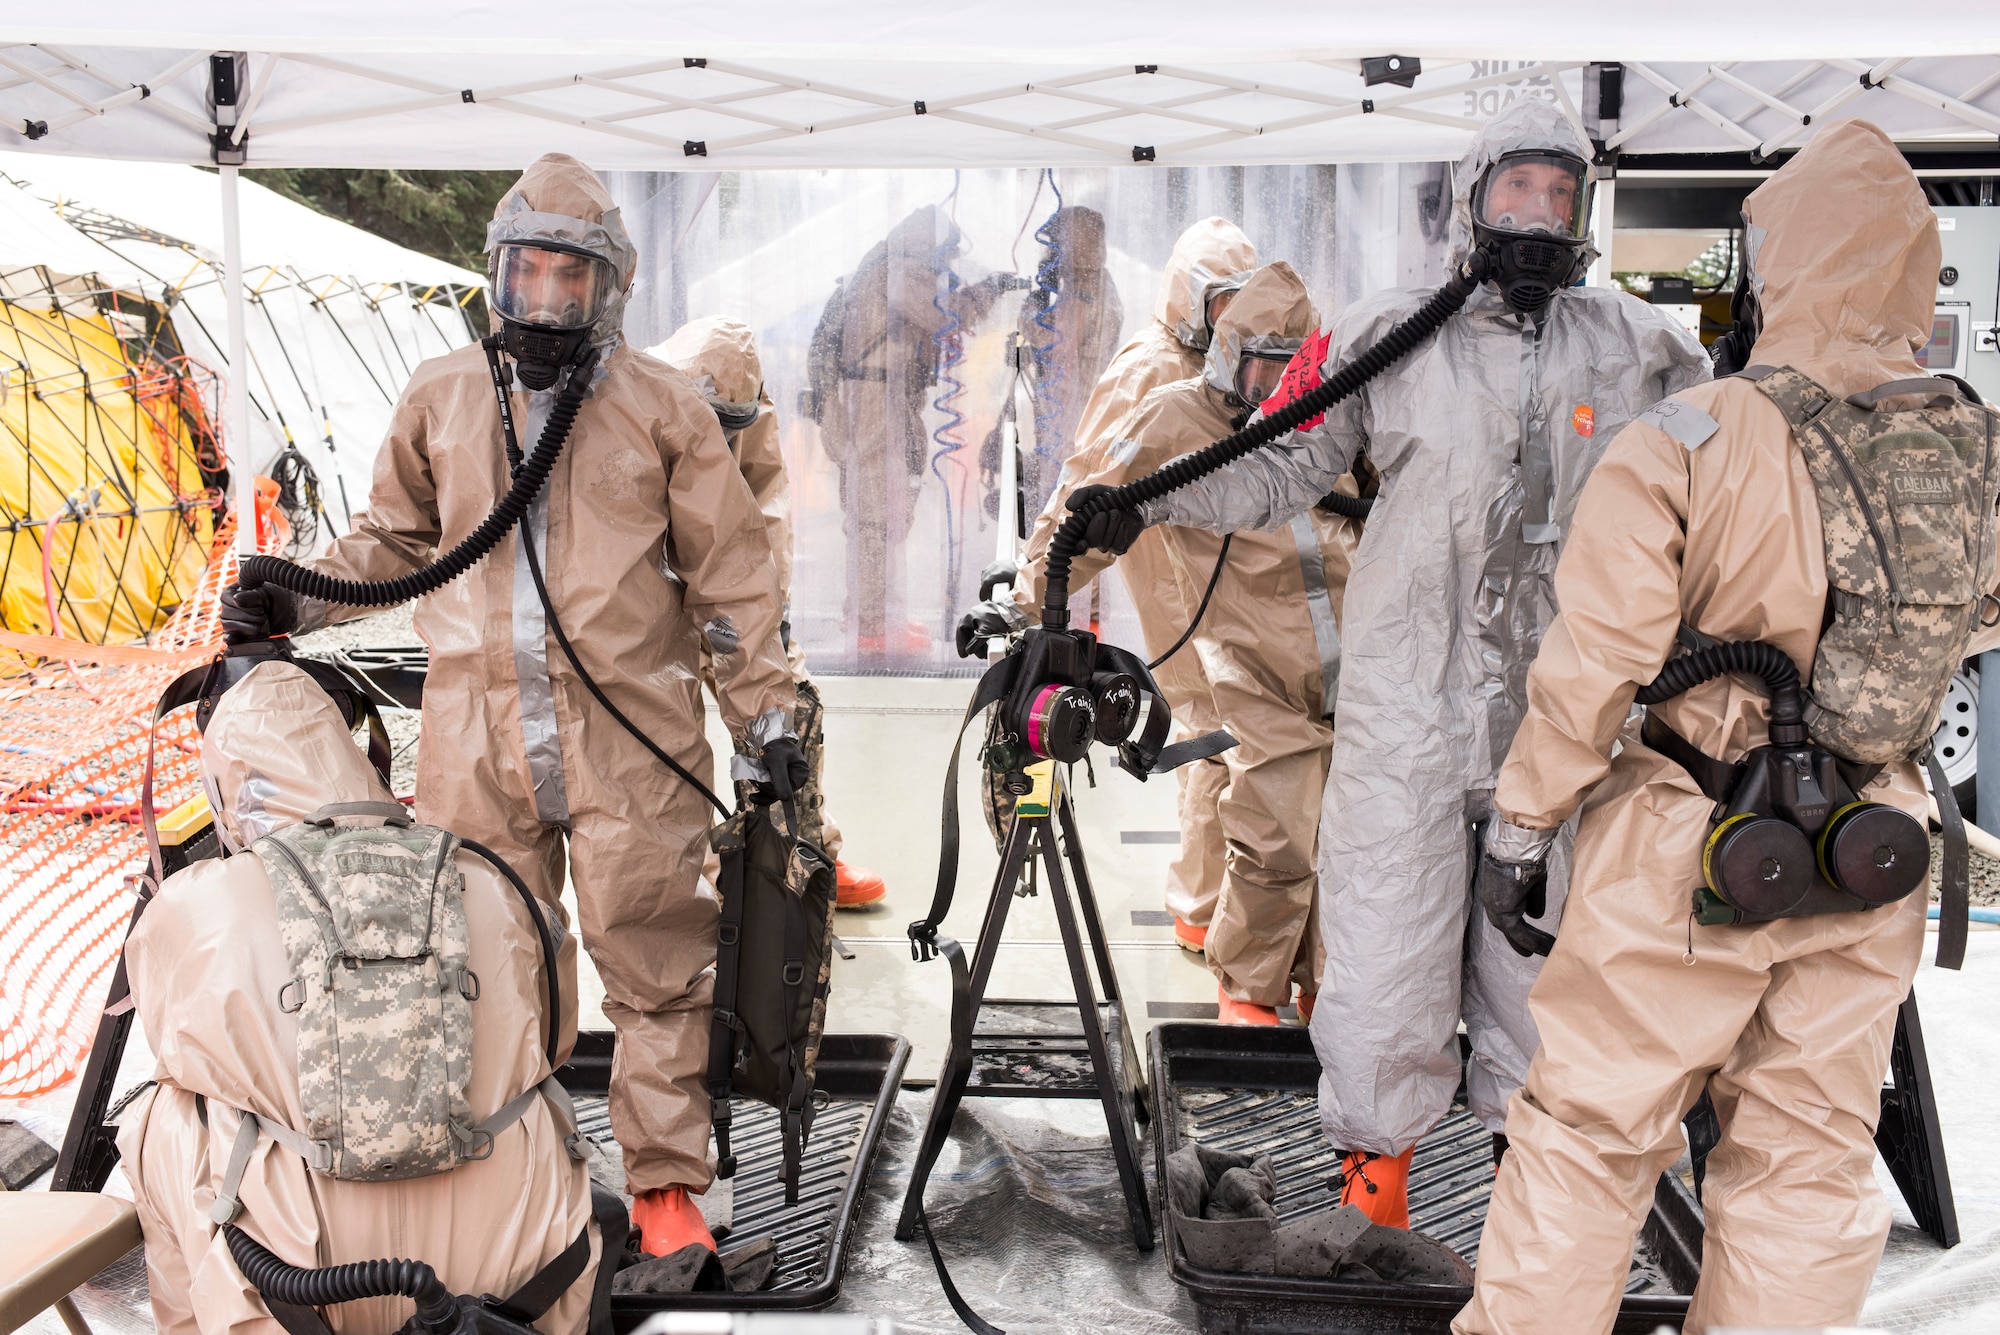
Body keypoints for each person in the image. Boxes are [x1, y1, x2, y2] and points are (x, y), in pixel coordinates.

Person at [1096, 100, 1710, 1226]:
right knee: (1382, 946)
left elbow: (1725, 482)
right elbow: (1274, 464)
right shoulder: (1384, 332)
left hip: (1565, 719)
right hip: (1404, 711)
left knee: (1550, 965)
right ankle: (1373, 1189)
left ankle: (1530, 1204)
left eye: (1558, 194)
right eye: (1515, 190)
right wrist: (1134, 502)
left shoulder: (1640, 346)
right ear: (1473, 197)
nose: (1535, 215)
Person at [1456, 119, 2000, 1334]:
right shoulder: (1970, 444)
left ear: (1780, 265)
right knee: (1809, 1155)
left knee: (1590, 1143)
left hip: (1690, 841)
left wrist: (1523, 830)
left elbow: (1593, 662)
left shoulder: (1688, 438)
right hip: (1873, 849)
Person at [219, 153, 798, 1262]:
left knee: (658, 960)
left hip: (631, 739)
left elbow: (731, 584)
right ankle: (513, 1180)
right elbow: (390, 544)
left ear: (607, 288)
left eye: (565, 282)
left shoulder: (663, 409)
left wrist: (766, 723)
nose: (541, 304)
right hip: (475, 739)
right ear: (494, 274)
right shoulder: (443, 395)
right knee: (485, 962)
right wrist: (297, 589)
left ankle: (668, 1189)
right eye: (523, 277)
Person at [118, 659, 599, 1333]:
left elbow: (170, 1043)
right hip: (522, 1281)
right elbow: (560, 1035)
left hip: (298, 1291)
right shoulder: (491, 876)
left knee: (160, 1113)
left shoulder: (202, 903)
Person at [987, 261, 1353, 1024]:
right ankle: (1249, 992)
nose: (1276, 387)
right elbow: (1090, 496)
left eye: (1295, 368)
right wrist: (1028, 608)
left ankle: (1329, 984)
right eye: (1262, 366)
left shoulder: (1338, 412)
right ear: (1225, 351)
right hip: (1254, 658)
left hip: (1359, 660)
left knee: (1352, 835)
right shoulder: (1176, 418)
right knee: (1276, 829)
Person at [969, 217, 1257, 954]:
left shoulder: (1225, 366)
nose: (1238, 318)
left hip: (1213, 558)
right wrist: (1032, 595)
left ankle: (1207, 901)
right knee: (1219, 721)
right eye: (1223, 301)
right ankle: (1199, 905)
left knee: (1228, 723)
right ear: (1192, 299)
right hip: (1172, 564)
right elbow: (1086, 486)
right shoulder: (1151, 371)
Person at [651, 315, 888, 909]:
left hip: (735, 590)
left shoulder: (748, 406)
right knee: (669, 735)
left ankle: (810, 853)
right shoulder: (645, 401)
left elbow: (766, 508)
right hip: (659, 596)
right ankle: (711, 866)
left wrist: (770, 609)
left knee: (792, 712)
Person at [805, 206, 1007, 663]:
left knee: (888, 508)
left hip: (881, 402)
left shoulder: (879, 272)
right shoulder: (898, 273)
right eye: (945, 255)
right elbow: (943, 315)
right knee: (876, 514)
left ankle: (873, 612)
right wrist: (986, 291)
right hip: (875, 405)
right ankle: (871, 624)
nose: (945, 266)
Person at [1016, 204, 1128, 516]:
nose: (1052, 252)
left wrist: (1028, 311)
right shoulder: (1092, 285)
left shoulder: (1087, 290)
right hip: (1075, 411)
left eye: (1058, 244)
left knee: (1062, 511)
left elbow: (1055, 341)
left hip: (1073, 415)